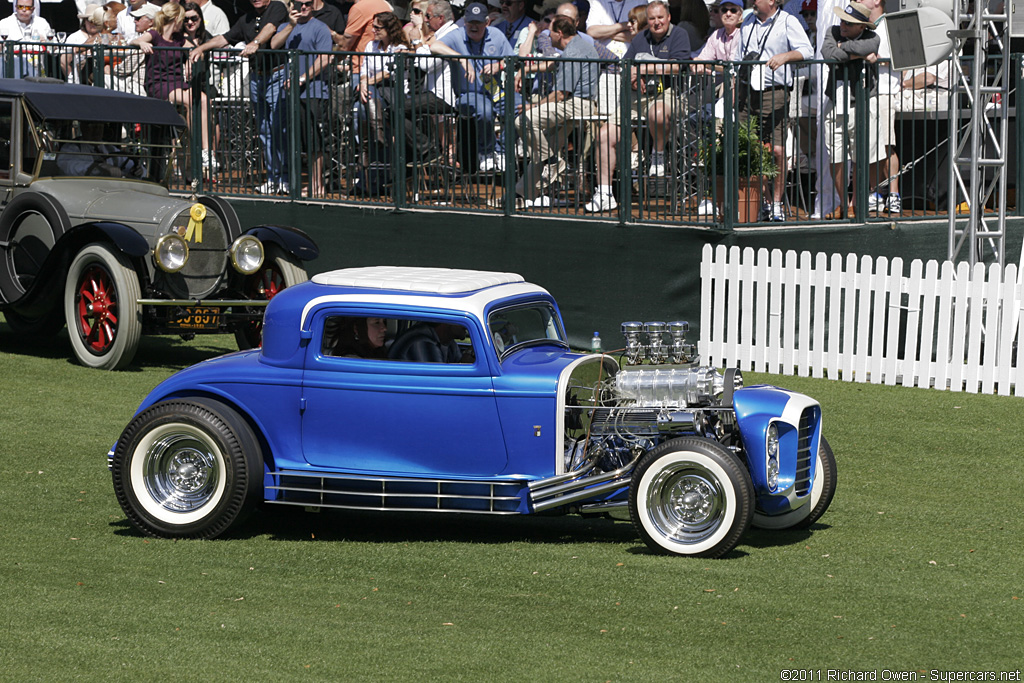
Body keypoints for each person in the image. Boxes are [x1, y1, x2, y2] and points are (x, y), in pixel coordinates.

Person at [586, 0, 690, 213]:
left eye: (660, 17)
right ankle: (604, 193)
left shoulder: (679, 34)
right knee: (604, 135)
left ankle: (658, 155)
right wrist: (632, 75)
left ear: (668, 17)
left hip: (668, 94)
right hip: (637, 98)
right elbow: (626, 65)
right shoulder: (640, 38)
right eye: (652, 19)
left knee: (658, 112)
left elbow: (678, 67)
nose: (656, 22)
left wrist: (642, 68)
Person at [189, 0, 291, 195]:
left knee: (279, 128)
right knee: (264, 130)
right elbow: (225, 38)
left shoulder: (276, 7)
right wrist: (201, 48)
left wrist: (256, 43)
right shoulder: (246, 19)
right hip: (256, 77)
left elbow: (271, 28)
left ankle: (285, 178)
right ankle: (272, 178)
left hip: (277, 75)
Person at [737, 0, 813, 221]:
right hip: (746, 91)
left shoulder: (788, 21)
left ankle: (777, 204)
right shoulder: (748, 21)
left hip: (775, 92)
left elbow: (807, 50)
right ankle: (765, 201)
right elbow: (739, 55)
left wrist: (785, 56)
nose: (752, 1)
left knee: (778, 151)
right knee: (750, 149)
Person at [514, 15, 600, 206]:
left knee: (523, 121)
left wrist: (534, 106)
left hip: (575, 104)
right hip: (578, 103)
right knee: (545, 146)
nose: (548, 36)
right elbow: (555, 64)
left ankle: (554, 160)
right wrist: (526, 70)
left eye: (550, 32)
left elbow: (561, 94)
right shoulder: (577, 46)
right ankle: (520, 195)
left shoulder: (573, 52)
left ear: (559, 33)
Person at [430, 2, 516, 173]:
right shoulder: (457, 35)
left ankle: (503, 152)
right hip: (468, 94)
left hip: (495, 91)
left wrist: (498, 66)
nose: (474, 26)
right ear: (465, 21)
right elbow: (434, 46)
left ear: (487, 22)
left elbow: (511, 59)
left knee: (520, 107)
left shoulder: (496, 35)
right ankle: (487, 152)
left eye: (478, 22)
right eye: (470, 22)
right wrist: (461, 58)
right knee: (484, 110)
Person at [133, 2, 217, 173]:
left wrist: (189, 61)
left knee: (203, 99)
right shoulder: (155, 35)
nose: (185, 22)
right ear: (177, 19)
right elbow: (135, 40)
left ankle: (206, 151)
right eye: (183, 19)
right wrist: (141, 44)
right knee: (189, 100)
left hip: (178, 82)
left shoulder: (180, 39)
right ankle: (197, 147)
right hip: (159, 83)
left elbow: (194, 50)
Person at [820, 0, 878, 218]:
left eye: (850, 23)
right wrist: (859, 55)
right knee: (835, 155)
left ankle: (854, 204)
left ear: (862, 27)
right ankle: (843, 203)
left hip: (861, 104)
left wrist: (844, 49)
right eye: (843, 20)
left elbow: (870, 47)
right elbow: (828, 54)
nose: (843, 25)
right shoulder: (832, 31)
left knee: (860, 156)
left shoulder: (872, 36)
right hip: (835, 102)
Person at [272, 0, 334, 198]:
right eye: (299, 3)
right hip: (291, 94)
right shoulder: (285, 26)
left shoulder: (320, 28)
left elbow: (324, 58)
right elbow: (274, 44)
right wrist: (291, 24)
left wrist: (302, 78)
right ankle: (302, 182)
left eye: (307, 3)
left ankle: (317, 185)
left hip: (315, 92)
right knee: (297, 141)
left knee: (315, 141)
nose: (303, 7)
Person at [56, 121, 145, 177]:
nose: (97, 131)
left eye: (100, 127)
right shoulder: (72, 148)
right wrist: (99, 167)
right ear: (83, 128)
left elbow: (129, 163)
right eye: (93, 127)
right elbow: (71, 168)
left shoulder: (109, 149)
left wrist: (138, 170)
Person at [0, 0, 53, 78]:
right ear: (16, 7)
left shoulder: (42, 23)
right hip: (12, 71)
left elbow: (53, 47)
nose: (24, 10)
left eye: (27, 7)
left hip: (37, 71)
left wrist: (46, 42)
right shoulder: (4, 23)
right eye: (20, 7)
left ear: (33, 9)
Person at [389, 321, 473, 363]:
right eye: (460, 319)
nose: (465, 324)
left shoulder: (449, 343)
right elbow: (439, 382)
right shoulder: (421, 342)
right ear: (447, 321)